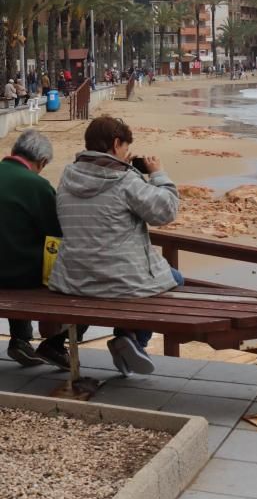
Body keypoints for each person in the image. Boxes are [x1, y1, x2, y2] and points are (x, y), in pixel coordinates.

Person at [49, 115, 181, 376]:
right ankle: (132, 340)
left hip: (73, 279)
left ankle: (127, 338)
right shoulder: (124, 180)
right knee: (174, 277)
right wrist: (157, 174)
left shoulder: (67, 177)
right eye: (124, 148)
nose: (126, 153)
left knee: (118, 281)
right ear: (116, 143)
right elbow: (166, 212)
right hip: (120, 282)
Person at [0, 130, 79, 369]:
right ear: (42, 162)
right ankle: (53, 344)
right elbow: (55, 233)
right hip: (19, 275)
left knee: (11, 251)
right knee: (45, 266)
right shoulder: (36, 185)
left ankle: (22, 339)